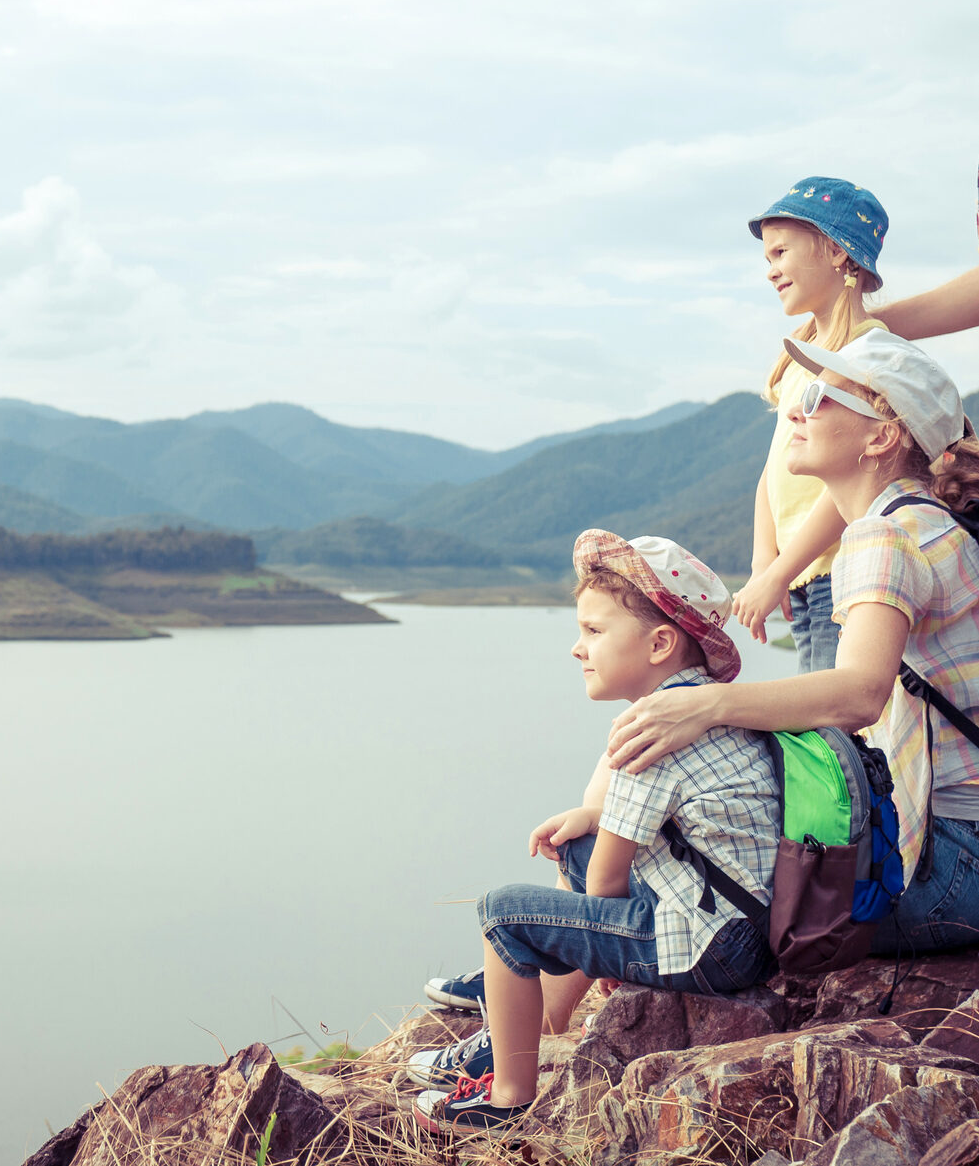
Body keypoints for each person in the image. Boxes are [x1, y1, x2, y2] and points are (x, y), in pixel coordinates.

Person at [607, 330, 979, 956]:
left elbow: (860, 694)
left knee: (660, 868)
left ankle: (525, 1006)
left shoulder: (883, 537)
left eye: (825, 396)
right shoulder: (929, 522)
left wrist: (706, 706)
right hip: (962, 846)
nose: (799, 409)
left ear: (881, 436)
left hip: (953, 863)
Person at [411, 532, 779, 1133]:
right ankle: (526, 1028)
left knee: (504, 914)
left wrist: (584, 944)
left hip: (709, 944)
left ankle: (505, 1098)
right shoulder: (716, 707)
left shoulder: (650, 730)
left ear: (660, 643)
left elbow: (607, 883)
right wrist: (591, 823)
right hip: (748, 926)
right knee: (580, 845)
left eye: (594, 632)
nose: (577, 649)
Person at [730, 177, 890, 672]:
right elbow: (773, 471)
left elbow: (853, 484)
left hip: (838, 571)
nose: (771, 270)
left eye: (780, 253)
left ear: (838, 252)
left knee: (832, 726)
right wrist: (765, 563)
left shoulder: (866, 352)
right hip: (801, 575)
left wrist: (780, 571)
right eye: (768, 259)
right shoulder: (800, 357)